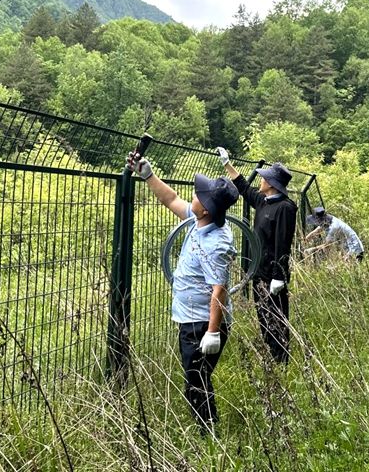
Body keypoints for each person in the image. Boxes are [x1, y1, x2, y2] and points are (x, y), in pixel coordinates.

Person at [126, 150, 239, 432]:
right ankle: (207, 429)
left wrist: (212, 331)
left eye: (200, 195)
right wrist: (148, 174)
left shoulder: (215, 244)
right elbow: (170, 199)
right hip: (192, 320)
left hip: (201, 323)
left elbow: (220, 289)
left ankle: (208, 434)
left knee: (196, 381)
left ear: (207, 209)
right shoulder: (199, 220)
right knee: (196, 378)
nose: (194, 195)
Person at [216, 147, 297, 364]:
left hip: (273, 276)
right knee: (263, 316)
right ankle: (272, 358)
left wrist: (279, 276)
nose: (260, 181)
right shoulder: (264, 201)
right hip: (259, 273)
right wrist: (227, 163)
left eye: (264, 179)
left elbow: (283, 243)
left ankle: (282, 359)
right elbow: (244, 187)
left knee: (277, 318)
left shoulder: (285, 208)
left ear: (271, 184)